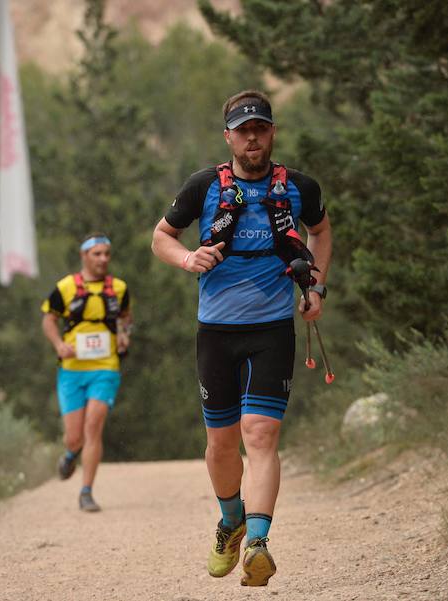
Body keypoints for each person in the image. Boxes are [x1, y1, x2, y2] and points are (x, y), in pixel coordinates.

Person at [151, 90, 332, 586]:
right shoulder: (203, 186)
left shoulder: (299, 187)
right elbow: (160, 237)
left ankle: (257, 543)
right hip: (216, 331)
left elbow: (321, 231)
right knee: (222, 446)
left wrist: (315, 287)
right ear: (229, 136)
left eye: (261, 129)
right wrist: (187, 258)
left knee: (261, 434)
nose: (252, 138)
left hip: (274, 328)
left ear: (272, 132)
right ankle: (231, 519)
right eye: (243, 130)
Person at [41, 233, 132, 512]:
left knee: (94, 426)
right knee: (75, 437)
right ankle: (70, 454)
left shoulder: (118, 288)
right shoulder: (66, 287)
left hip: (105, 367)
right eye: (97, 254)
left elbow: (126, 318)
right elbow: (48, 319)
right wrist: (58, 345)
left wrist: (124, 335)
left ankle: (86, 491)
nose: (103, 259)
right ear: (84, 256)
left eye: (107, 254)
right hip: (72, 370)